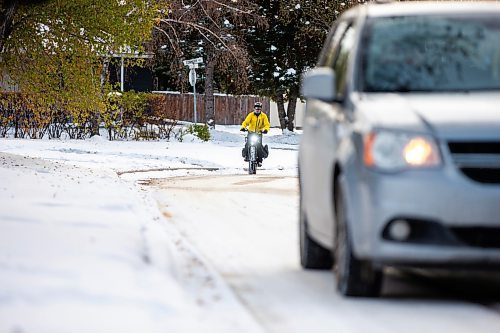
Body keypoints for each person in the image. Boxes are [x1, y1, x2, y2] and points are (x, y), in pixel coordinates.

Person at [240, 101, 270, 166]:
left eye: (259, 108)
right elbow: (246, 122)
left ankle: (260, 160)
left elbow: (267, 124)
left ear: (260, 109)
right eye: (256, 108)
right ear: (254, 108)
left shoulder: (263, 116)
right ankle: (246, 156)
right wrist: (243, 127)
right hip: (251, 133)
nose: (257, 110)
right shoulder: (251, 115)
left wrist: (265, 130)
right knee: (248, 143)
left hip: (259, 133)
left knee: (259, 146)